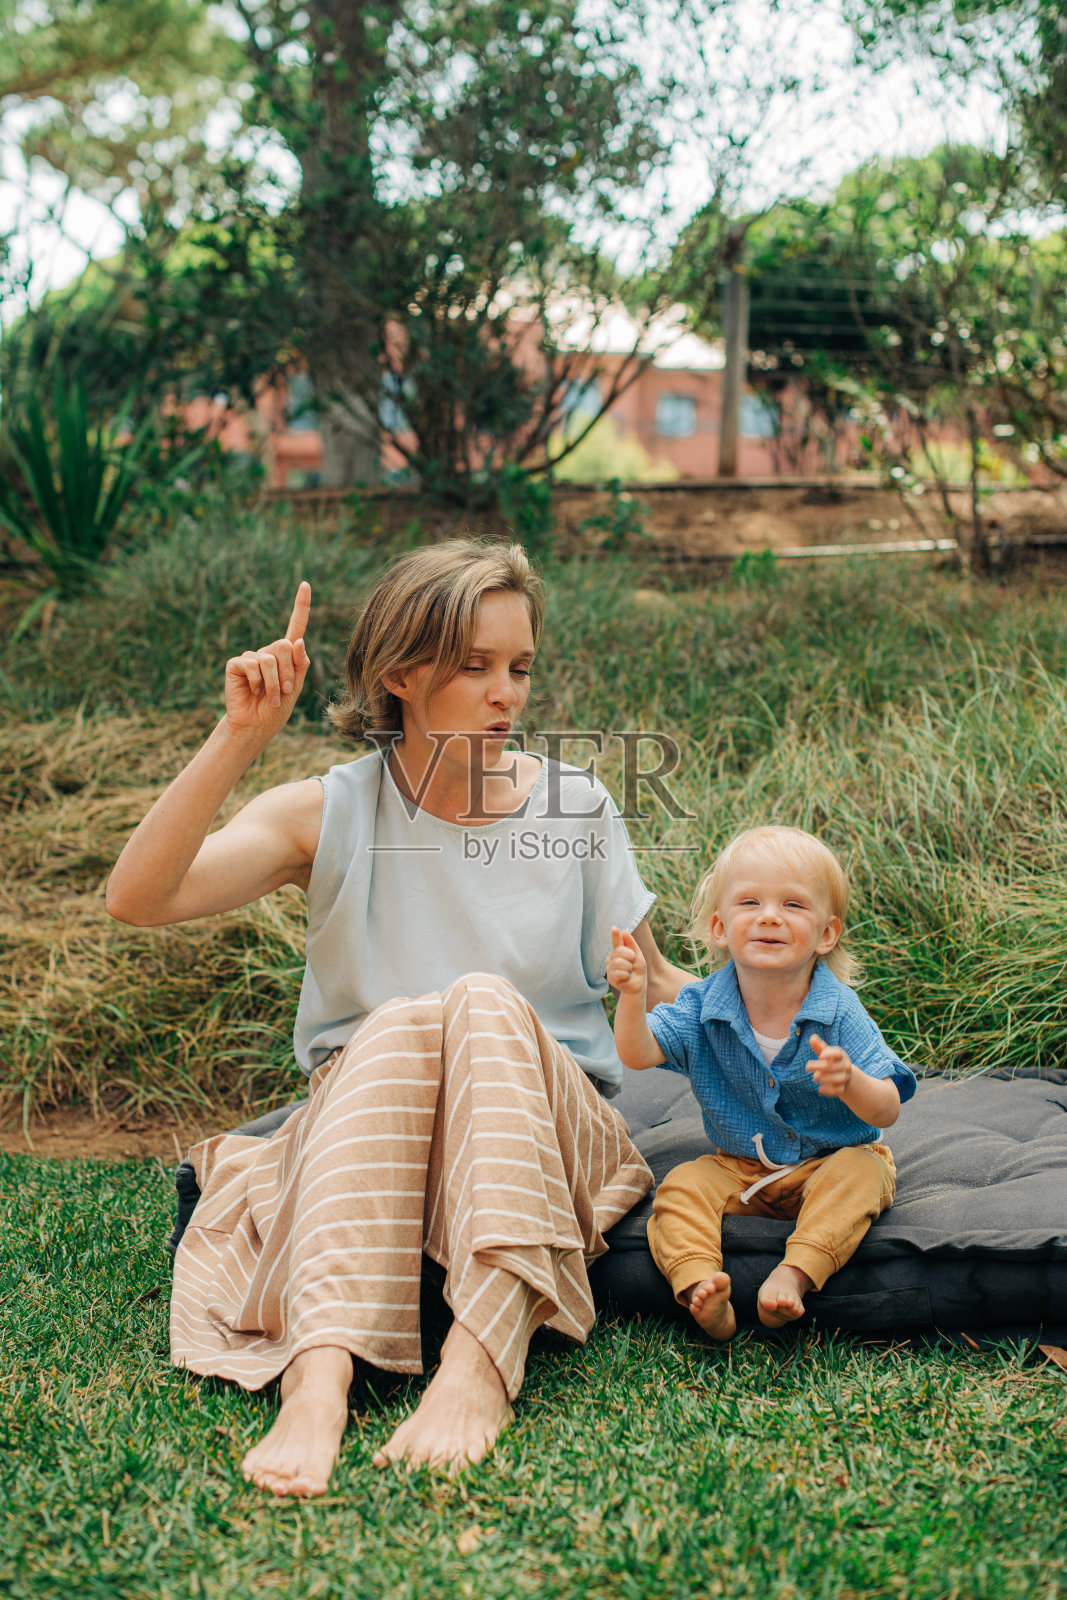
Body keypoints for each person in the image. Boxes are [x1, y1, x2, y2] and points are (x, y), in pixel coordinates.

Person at [106, 539, 688, 1497]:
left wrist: (777, 1007)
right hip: (374, 1123)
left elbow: (660, 985)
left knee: (480, 1001)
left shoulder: (577, 805)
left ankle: (475, 1364)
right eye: (475, 667)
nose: (508, 694)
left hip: (546, 1128)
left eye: (520, 668)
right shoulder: (328, 810)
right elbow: (139, 898)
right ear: (399, 676)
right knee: (411, 1020)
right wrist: (239, 737)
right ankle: (318, 1378)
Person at [606, 825, 917, 1341]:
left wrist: (851, 1081)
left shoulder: (838, 1010)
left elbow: (887, 1109)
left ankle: (794, 1274)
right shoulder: (703, 1005)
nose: (770, 915)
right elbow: (637, 1054)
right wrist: (633, 995)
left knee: (864, 1174)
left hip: (830, 1158)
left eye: (793, 904)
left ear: (826, 934)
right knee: (682, 1185)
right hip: (742, 1169)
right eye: (750, 901)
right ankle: (701, 1286)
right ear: (720, 927)